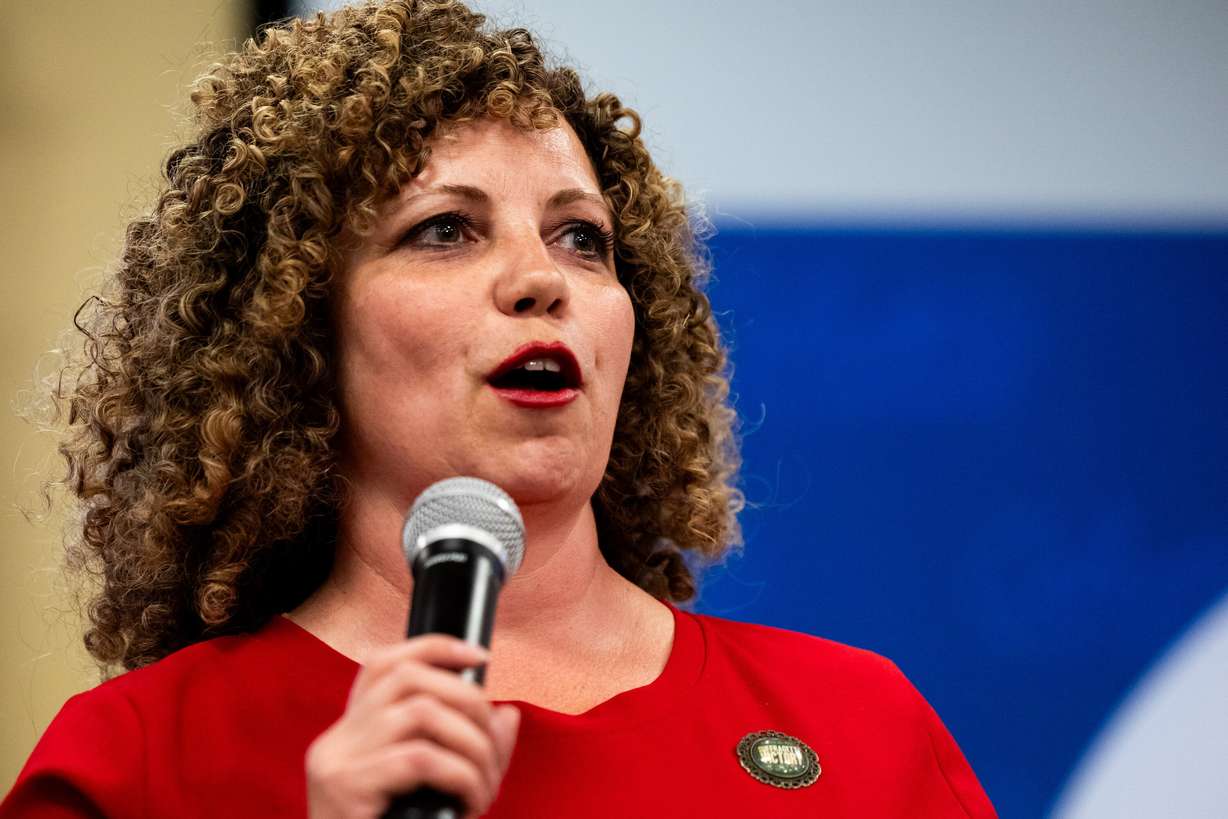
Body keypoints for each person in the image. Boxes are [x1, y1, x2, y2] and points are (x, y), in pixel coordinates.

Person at [2, 1, 997, 817]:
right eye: (444, 230)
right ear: (293, 326)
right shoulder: (144, 761)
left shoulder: (858, 726)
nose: (540, 279)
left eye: (581, 239)